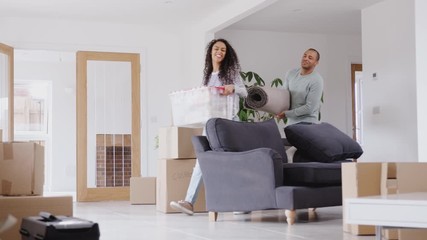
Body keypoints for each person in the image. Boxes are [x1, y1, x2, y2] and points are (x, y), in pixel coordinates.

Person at [169, 38, 248, 215]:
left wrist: (232, 87)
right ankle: (189, 202)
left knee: (232, 162)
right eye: (216, 48)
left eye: (223, 50)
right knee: (202, 160)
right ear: (210, 52)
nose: (219, 52)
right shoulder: (207, 76)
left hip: (228, 122)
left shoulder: (232, 73)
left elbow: (245, 91)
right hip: (210, 123)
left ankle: (242, 203)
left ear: (227, 54)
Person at [276, 48, 324, 125]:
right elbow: (283, 94)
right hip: (290, 123)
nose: (305, 58)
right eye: (304, 56)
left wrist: (286, 114)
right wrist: (275, 108)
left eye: (310, 58)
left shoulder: (317, 80)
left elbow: (309, 108)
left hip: (308, 124)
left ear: (316, 63)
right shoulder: (291, 73)